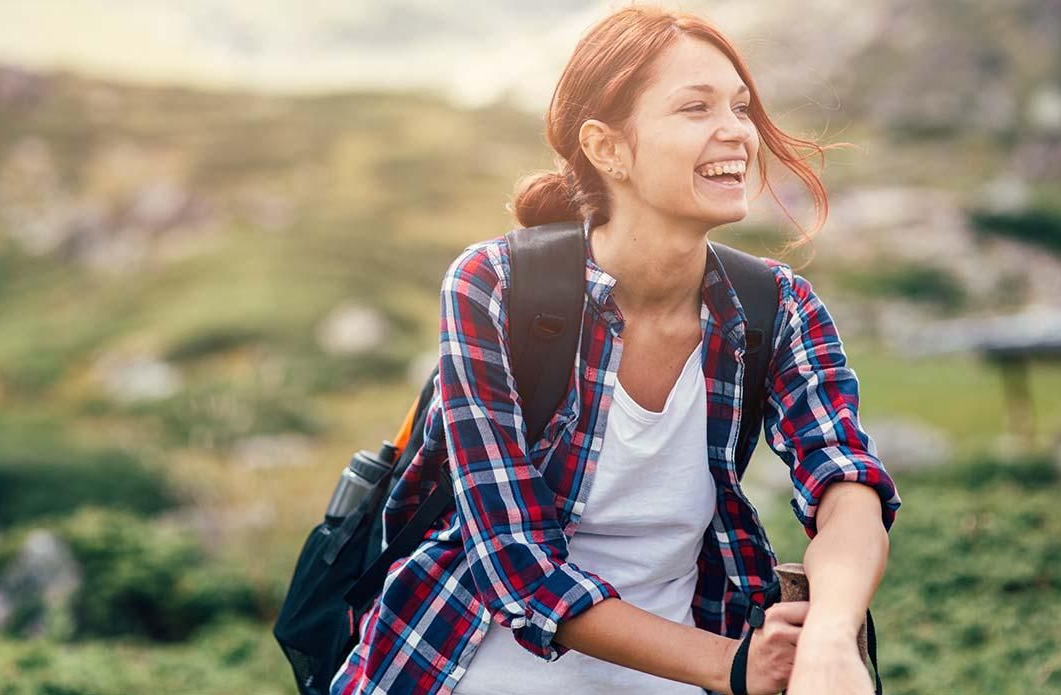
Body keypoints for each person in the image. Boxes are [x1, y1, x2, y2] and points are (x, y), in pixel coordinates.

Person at [330, 5, 901, 695]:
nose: (736, 132)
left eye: (741, 106)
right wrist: (732, 665)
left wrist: (832, 639)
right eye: (695, 107)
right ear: (607, 148)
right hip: (461, 667)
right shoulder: (494, 285)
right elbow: (515, 560)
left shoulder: (778, 308)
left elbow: (845, 482)